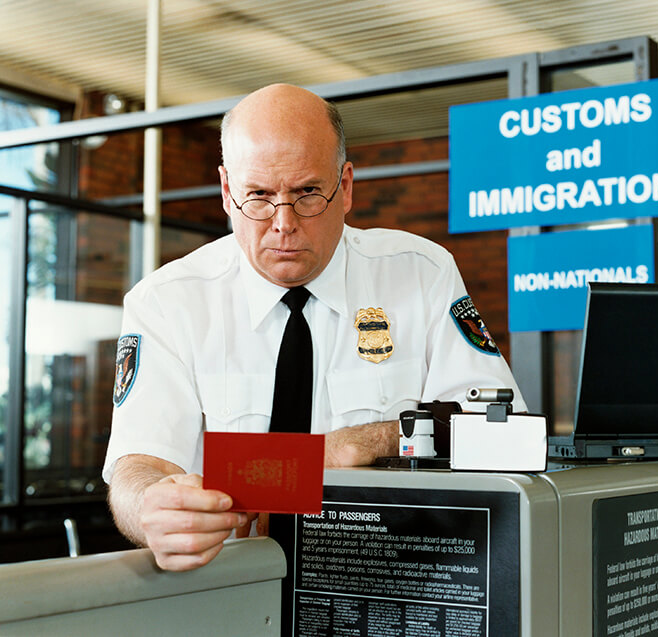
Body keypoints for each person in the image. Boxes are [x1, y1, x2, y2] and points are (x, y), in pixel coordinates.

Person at [103, 84, 526, 572]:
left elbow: (505, 432)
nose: (283, 223)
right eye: (258, 196)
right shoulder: (167, 302)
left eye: (307, 193)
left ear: (345, 186)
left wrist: (370, 441)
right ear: (226, 191)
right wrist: (151, 510)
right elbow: (139, 464)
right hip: (231, 588)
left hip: (391, 582)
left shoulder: (421, 274)